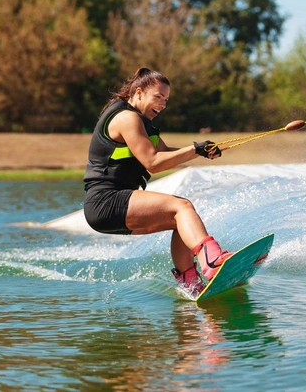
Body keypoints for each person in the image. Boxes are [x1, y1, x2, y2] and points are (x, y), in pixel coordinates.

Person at [83, 67, 231, 296]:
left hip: (110, 206)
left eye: (166, 100)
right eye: (158, 97)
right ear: (139, 92)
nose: (162, 104)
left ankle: (192, 284)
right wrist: (194, 150)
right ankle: (212, 261)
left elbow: (164, 153)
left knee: (179, 221)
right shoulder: (127, 118)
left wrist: (200, 152)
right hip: (106, 201)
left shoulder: (141, 122)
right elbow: (153, 162)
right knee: (182, 207)